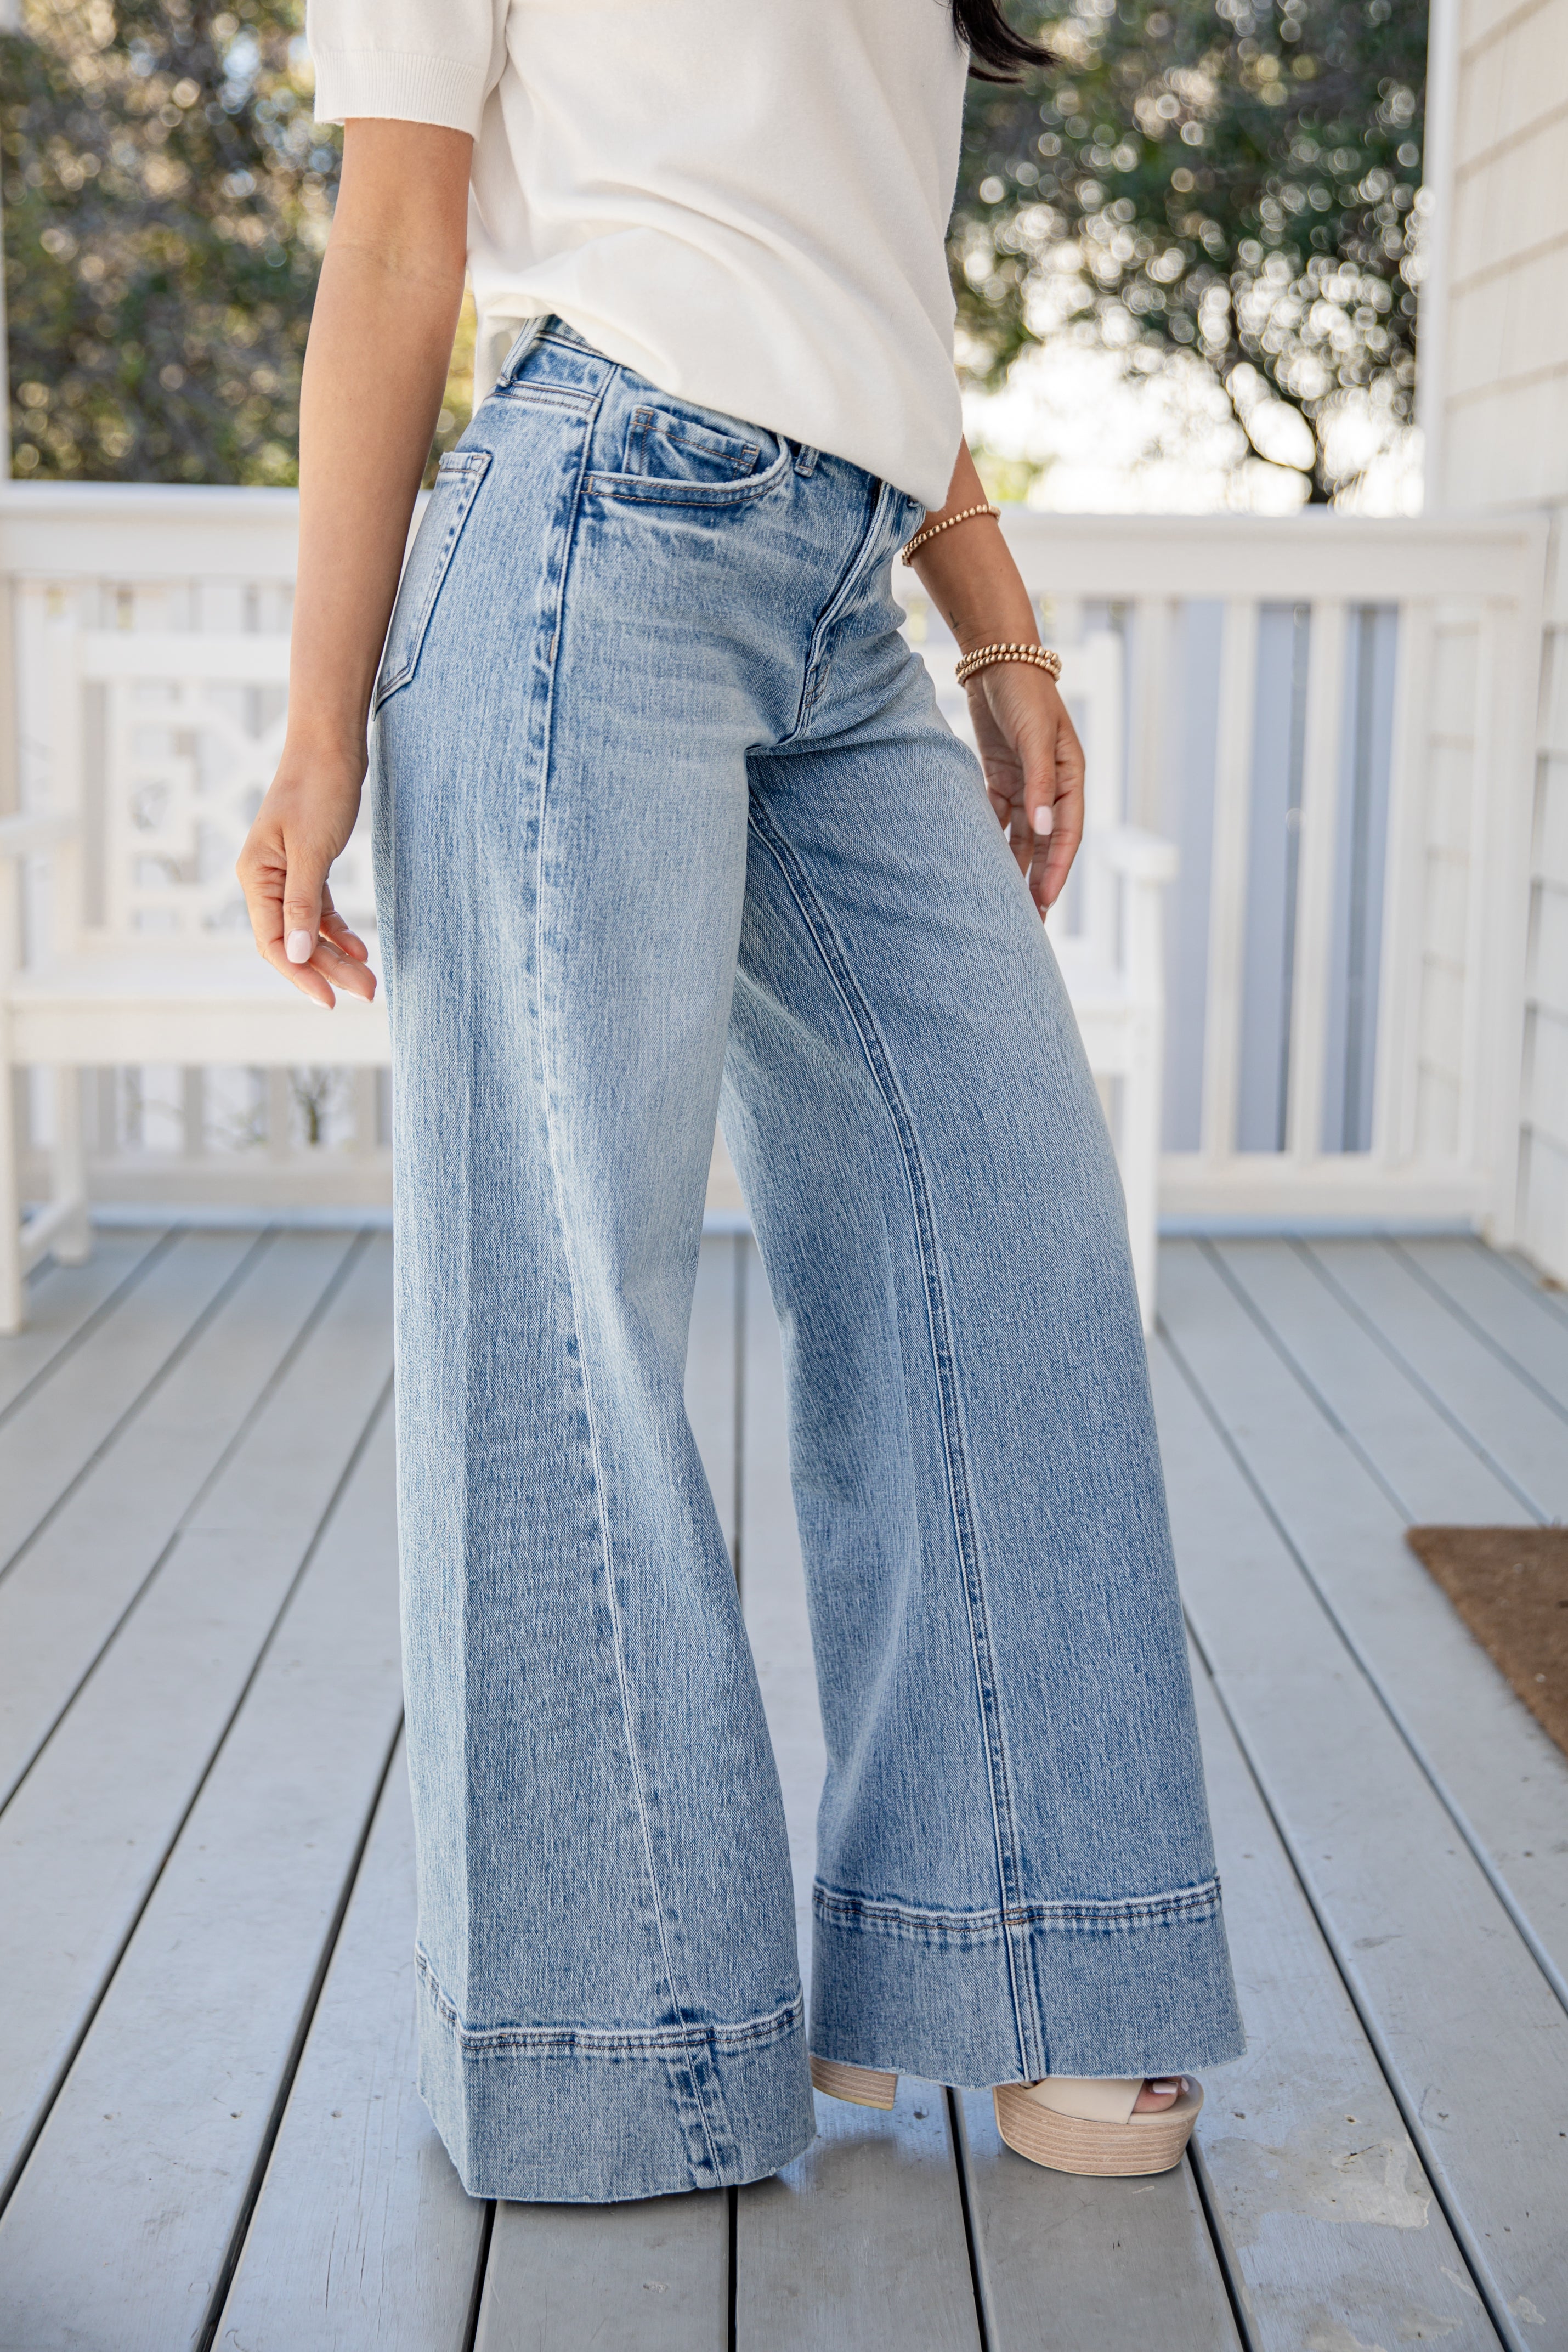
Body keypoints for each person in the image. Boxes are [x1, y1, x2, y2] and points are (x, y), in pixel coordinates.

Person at [237, 0, 1244, 2206]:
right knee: (568, 1303)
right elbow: (396, 248)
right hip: (589, 541)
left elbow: (863, 277)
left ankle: (1024, 1952)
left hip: (840, 600)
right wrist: (322, 719)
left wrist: (997, 630)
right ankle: (624, 2035)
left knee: (1003, 1234)